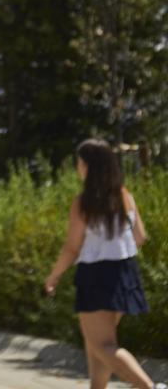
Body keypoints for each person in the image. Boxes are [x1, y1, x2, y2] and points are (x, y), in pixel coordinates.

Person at [44, 139, 163, 389]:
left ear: (87, 166)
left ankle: (150, 387)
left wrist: (53, 276)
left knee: (103, 345)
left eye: (79, 163)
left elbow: (72, 248)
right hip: (124, 272)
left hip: (97, 274)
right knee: (96, 343)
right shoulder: (125, 195)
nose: (77, 168)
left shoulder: (84, 202)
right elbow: (140, 237)